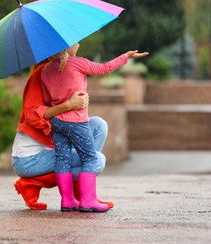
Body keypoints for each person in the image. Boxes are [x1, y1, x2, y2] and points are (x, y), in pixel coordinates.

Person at [41, 43, 149, 212]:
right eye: (76, 41)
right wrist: (125, 57)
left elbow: (47, 100)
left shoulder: (45, 71)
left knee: (63, 160)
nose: (79, 44)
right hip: (76, 121)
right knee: (89, 158)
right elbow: (104, 68)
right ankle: (88, 200)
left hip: (57, 122)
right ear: (68, 46)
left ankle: (67, 201)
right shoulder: (77, 63)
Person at [12, 59, 112, 211]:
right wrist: (69, 105)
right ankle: (32, 183)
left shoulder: (64, 69)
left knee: (98, 125)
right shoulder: (42, 73)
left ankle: (84, 192)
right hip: (29, 158)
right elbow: (31, 114)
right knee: (97, 160)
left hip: (48, 150)